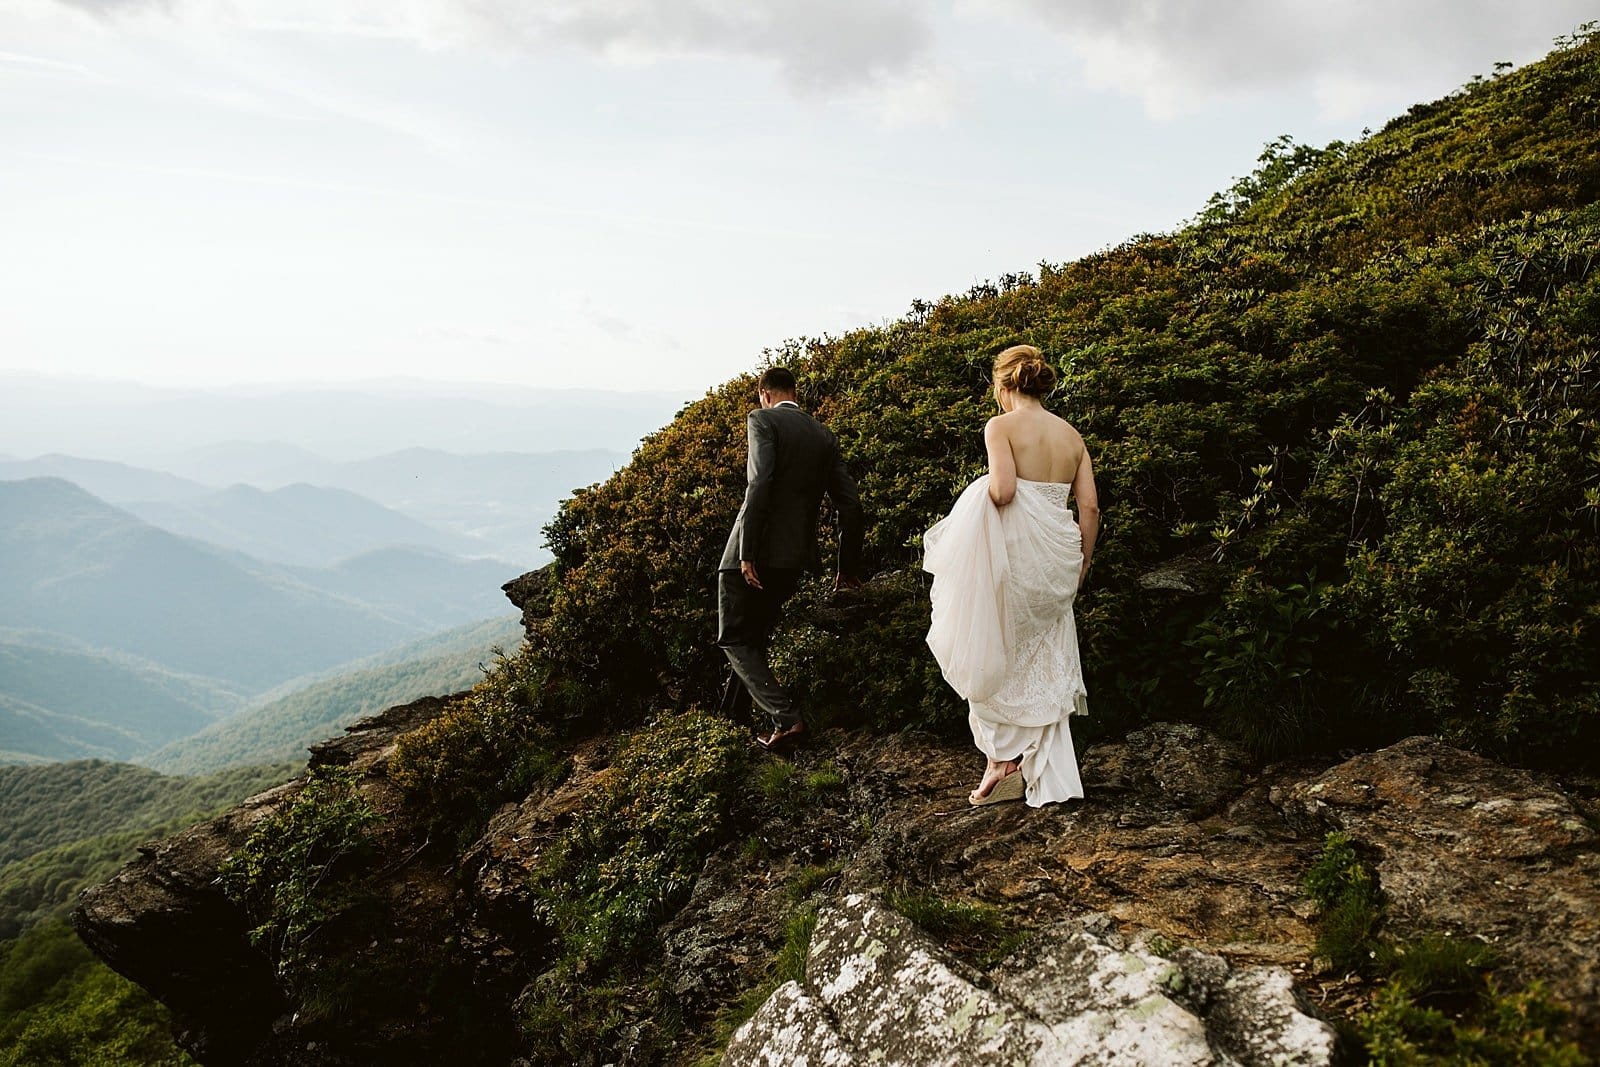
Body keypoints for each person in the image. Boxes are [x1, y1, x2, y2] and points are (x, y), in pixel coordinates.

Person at [922, 344, 1100, 806]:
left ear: (1003, 386)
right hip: (1058, 556)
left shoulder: (999, 426)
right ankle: (1038, 768)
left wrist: (979, 491)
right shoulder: (1072, 436)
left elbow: (1002, 491)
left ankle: (1002, 759)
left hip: (1017, 552)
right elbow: (1090, 507)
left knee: (986, 640)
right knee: (1045, 654)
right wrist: (1083, 560)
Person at [717, 366, 865, 751]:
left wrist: (747, 551)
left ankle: (787, 720)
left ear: (764, 393)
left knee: (733, 637)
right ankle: (730, 725)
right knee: (753, 640)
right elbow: (849, 504)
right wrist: (845, 568)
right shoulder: (823, 435)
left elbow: (759, 481)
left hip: (748, 554)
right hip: (794, 559)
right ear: (794, 393)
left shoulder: (762, 419)